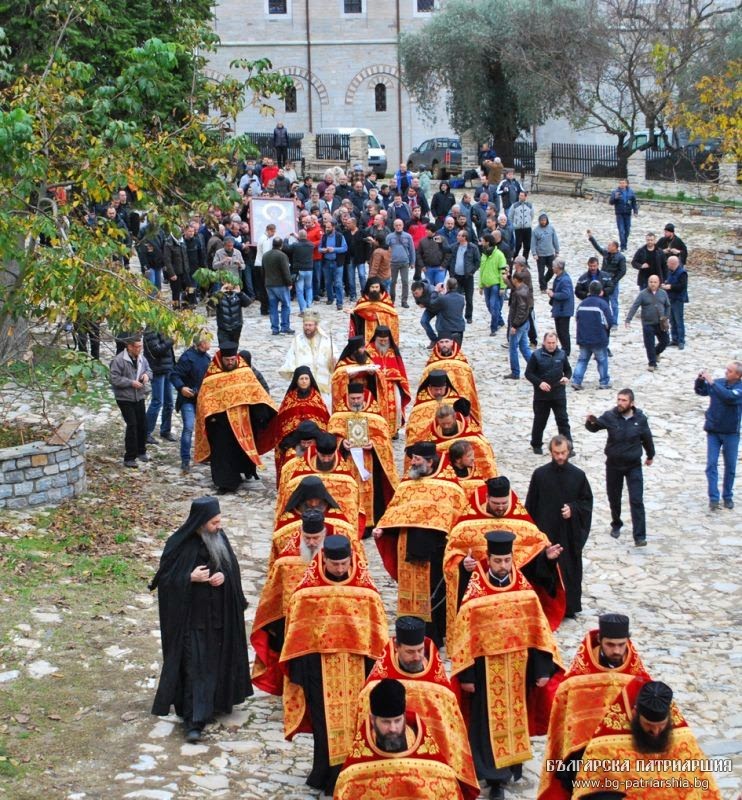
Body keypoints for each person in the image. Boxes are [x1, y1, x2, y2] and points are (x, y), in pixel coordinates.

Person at [449, 531, 563, 800]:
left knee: (516, 719)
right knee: (486, 724)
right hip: (485, 674)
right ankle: (493, 777)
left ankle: (512, 764)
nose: (502, 566)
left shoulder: (524, 593)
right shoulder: (474, 597)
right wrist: (466, 674)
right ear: (487, 560)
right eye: (497, 561)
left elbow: (537, 633)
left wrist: (541, 671)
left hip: (518, 672)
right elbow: (464, 637)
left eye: (506, 560)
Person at [279, 535, 388, 796]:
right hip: (318, 667)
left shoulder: (365, 591)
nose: (340, 569)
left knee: (357, 720)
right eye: (334, 565)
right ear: (323, 560)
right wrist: (300, 671)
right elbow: (297, 631)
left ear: (352, 560)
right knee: (323, 723)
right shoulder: (307, 593)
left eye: (344, 564)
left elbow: (377, 630)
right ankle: (324, 774)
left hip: (357, 665)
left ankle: (352, 773)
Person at [149, 496, 252, 742]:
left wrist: (223, 578)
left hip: (219, 617)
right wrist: (189, 577)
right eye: (214, 522)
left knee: (216, 663)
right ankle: (194, 721)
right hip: (192, 621)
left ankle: (216, 703)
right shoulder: (179, 543)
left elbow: (231, 570)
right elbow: (164, 580)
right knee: (195, 668)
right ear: (201, 521)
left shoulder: (220, 537)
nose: (219, 526)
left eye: (219, 521)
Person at [354, 616, 477, 790]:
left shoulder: (439, 688)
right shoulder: (375, 686)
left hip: (429, 769)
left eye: (420, 650)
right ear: (397, 647)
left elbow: (451, 732)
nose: (417, 657)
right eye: (410, 652)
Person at [538, 613, 651, 800]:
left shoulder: (636, 676)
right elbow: (564, 720)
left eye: (622, 645)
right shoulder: (576, 680)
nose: (616, 651)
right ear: (600, 640)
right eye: (610, 645)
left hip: (622, 758)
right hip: (584, 756)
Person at [444, 475, 566, 637]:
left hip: (513, 595)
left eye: (504, 503)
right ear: (487, 498)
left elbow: (532, 556)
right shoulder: (465, 526)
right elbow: (452, 555)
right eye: (496, 504)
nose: (501, 508)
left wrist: (546, 558)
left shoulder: (522, 523)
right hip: (480, 595)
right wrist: (463, 564)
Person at [373, 442, 468, 647]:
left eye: (417, 459)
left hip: (435, 549)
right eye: (413, 458)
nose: (412, 463)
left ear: (430, 461)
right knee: (410, 592)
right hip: (407, 545)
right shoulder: (408, 482)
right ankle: (409, 630)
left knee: (433, 593)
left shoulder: (449, 486)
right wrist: (383, 527)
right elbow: (396, 509)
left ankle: (433, 635)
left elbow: (457, 516)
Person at [572, 679, 722, 799]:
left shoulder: (684, 739)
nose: (656, 731)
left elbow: (701, 785)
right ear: (635, 713)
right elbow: (590, 788)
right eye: (649, 725)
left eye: (662, 725)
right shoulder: (605, 745)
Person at [337, 678, 479, 800]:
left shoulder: (433, 764)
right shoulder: (353, 773)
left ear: (405, 716)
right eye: (386, 722)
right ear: (372, 720)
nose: (393, 728)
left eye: (397, 721)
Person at [251, 509, 332, 694]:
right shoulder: (286, 561)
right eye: (307, 537)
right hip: (294, 628)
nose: (311, 543)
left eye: (316, 538)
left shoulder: (335, 561)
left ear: (324, 534)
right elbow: (273, 595)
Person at [194, 343, 278, 492]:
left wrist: (262, 414)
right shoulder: (212, 375)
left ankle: (247, 473)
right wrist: (211, 416)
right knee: (223, 453)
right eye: (227, 360)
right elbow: (205, 397)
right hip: (221, 423)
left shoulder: (244, 371)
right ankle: (226, 483)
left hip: (244, 420)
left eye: (233, 359)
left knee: (242, 450)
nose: (230, 362)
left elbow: (255, 392)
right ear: (221, 359)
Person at [526, 435, 593, 616]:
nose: (560, 457)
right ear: (551, 452)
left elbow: (586, 503)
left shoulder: (578, 476)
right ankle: (545, 606)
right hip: (545, 531)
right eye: (556, 453)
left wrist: (573, 509)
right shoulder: (540, 475)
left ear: (569, 451)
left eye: (563, 453)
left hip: (567, 534)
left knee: (567, 569)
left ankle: (568, 608)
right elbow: (531, 504)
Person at [328, 381, 399, 536]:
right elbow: (330, 438)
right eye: (352, 398)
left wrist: (373, 444)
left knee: (373, 492)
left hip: (370, 463)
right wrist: (341, 443)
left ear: (364, 396)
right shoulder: (338, 416)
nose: (355, 401)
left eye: (358, 398)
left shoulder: (375, 417)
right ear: (347, 397)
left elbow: (385, 441)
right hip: (347, 462)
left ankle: (370, 524)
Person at [585, 388, 654, 546]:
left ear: (632, 403)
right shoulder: (610, 416)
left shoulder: (640, 419)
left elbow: (647, 438)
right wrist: (590, 421)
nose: (620, 403)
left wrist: (650, 455)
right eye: (619, 400)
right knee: (614, 497)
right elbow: (595, 427)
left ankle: (639, 536)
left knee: (636, 500)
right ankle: (616, 523)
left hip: (633, 465)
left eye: (624, 400)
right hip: (614, 465)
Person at [694, 361, 742, 510]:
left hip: (731, 433)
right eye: (726, 369)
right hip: (713, 431)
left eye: (730, 371)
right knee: (711, 465)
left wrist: (712, 382)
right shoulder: (719, 383)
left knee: (730, 467)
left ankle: (727, 496)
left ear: (738, 375)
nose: (726, 372)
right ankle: (713, 498)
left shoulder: (739, 389)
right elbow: (701, 391)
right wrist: (700, 381)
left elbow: (728, 397)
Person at [272, 367, 330, 480]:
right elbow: (282, 424)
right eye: (301, 379)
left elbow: (324, 422)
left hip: (315, 443)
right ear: (296, 381)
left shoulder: (316, 398)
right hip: (295, 444)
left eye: (306, 378)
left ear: (310, 380)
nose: (304, 381)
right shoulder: (289, 399)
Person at [170, 332, 212, 474]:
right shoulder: (187, 358)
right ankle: (185, 460)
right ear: (201, 344)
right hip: (188, 399)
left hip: (202, 399)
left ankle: (205, 455)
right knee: (188, 427)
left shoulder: (207, 358)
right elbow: (174, 375)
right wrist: (181, 388)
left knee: (207, 428)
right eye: (208, 341)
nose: (210, 343)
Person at [525, 332, 573, 455]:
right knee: (540, 421)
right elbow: (529, 373)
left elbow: (568, 370)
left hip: (558, 394)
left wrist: (566, 377)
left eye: (553, 343)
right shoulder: (536, 355)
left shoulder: (561, 354)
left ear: (556, 342)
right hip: (542, 396)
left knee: (563, 421)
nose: (551, 345)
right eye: (549, 343)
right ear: (544, 342)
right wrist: (539, 383)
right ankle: (536, 444)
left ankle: (568, 446)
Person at [109, 333, 152, 468]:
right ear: (129, 347)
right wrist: (130, 382)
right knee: (132, 425)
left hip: (139, 396)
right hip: (125, 397)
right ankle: (129, 457)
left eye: (141, 346)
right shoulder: (119, 360)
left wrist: (146, 376)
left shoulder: (141, 358)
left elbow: (149, 370)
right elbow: (114, 378)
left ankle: (141, 451)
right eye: (137, 347)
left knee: (142, 424)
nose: (140, 349)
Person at [279, 310, 336, 401]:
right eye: (305, 325)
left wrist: (333, 361)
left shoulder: (325, 340)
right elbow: (291, 356)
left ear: (316, 326)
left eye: (310, 325)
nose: (307, 328)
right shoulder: (298, 340)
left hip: (322, 382)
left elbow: (335, 355)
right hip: (304, 382)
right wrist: (292, 370)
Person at [366, 325, 411, 437]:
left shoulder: (393, 350)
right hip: (375, 385)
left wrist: (393, 375)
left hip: (392, 384)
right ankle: (378, 431)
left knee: (396, 407)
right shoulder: (368, 350)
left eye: (385, 340)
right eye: (380, 340)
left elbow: (400, 368)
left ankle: (394, 430)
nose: (383, 343)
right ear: (375, 338)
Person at [570, 281, 613, 391]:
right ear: (601, 292)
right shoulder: (602, 304)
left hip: (583, 337)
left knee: (582, 360)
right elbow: (609, 321)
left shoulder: (582, 304)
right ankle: (604, 382)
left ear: (589, 291)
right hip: (598, 338)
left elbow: (577, 319)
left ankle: (576, 381)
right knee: (602, 360)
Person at [625, 275, 670, 371]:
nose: (653, 284)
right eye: (651, 282)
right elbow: (635, 306)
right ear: (648, 282)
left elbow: (668, 306)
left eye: (655, 282)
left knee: (665, 341)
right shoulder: (643, 294)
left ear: (658, 283)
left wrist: (666, 316)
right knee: (649, 344)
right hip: (648, 323)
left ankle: (656, 352)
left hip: (660, 323)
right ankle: (652, 363)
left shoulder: (663, 293)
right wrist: (628, 319)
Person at [143, 328, 176, 445]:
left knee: (169, 403)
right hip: (157, 369)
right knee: (157, 402)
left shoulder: (165, 327)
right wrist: (171, 341)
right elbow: (156, 350)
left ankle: (166, 430)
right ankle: (146, 432)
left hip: (167, 368)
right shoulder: (150, 331)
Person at [587, 230, 627, 326]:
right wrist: (591, 238)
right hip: (603, 282)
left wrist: (614, 280)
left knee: (614, 303)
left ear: (615, 247)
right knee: (604, 302)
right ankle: (605, 320)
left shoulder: (621, 257)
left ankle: (614, 322)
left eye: (610, 245)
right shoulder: (606, 254)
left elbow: (622, 271)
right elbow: (597, 247)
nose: (608, 247)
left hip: (613, 282)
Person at [348, 276, 399, 344]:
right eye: (372, 287)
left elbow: (392, 313)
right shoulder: (363, 300)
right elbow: (358, 311)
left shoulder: (386, 299)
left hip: (381, 329)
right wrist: (354, 313)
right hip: (365, 330)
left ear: (380, 287)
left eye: (376, 287)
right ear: (368, 288)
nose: (374, 289)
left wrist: (378, 316)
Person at [504, 271, 533, 380]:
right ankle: (535, 367)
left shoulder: (518, 293)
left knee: (513, 348)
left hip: (518, 324)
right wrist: (508, 276)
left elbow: (520, 310)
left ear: (516, 280)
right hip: (525, 322)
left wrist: (514, 325)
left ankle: (515, 372)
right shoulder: (524, 288)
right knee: (524, 347)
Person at [262, 236, 294, 335]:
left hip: (269, 284)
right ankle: (285, 326)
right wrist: (289, 282)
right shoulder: (282, 255)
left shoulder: (265, 255)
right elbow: (285, 270)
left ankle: (275, 329)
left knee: (273, 307)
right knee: (286, 305)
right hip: (281, 284)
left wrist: (265, 281)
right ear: (281, 245)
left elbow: (263, 270)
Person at [479, 233, 508, 335]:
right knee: (488, 305)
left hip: (495, 285)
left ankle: (494, 328)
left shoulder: (499, 255)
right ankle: (500, 321)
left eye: (482, 240)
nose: (481, 242)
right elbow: (481, 270)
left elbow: (503, 271)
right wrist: (481, 285)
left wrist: (502, 287)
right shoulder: (483, 255)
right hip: (486, 285)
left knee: (493, 306)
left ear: (487, 242)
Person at [547, 259, 574, 355]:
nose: (552, 268)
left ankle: (566, 350)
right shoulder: (559, 277)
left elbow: (566, 294)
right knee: (559, 330)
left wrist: (553, 295)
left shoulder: (565, 280)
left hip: (564, 310)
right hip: (560, 309)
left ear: (558, 268)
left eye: (553, 266)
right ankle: (564, 348)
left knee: (563, 331)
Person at [386, 218, 415, 307]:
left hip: (404, 262)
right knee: (393, 282)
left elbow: (412, 249)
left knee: (405, 281)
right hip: (393, 262)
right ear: (394, 226)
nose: (398, 227)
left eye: (400, 225)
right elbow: (386, 250)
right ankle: (392, 299)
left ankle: (404, 301)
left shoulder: (408, 236)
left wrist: (412, 261)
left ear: (402, 226)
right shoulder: (389, 237)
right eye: (396, 225)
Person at [428, 277, 467, 345]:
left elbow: (432, 304)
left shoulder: (443, 298)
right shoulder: (461, 298)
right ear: (456, 286)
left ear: (447, 286)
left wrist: (436, 291)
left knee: (445, 353)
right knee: (456, 351)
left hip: (445, 329)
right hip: (459, 328)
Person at [661, 255, 688, 349]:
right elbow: (669, 280)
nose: (667, 264)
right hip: (670, 299)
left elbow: (682, 286)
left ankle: (681, 341)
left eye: (668, 263)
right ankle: (674, 339)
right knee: (672, 320)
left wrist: (671, 287)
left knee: (678, 320)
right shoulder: (671, 272)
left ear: (672, 263)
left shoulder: (682, 273)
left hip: (678, 299)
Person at [214, 281, 252, 346]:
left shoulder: (238, 295)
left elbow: (247, 303)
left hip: (236, 327)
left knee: (234, 348)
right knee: (224, 349)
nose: (229, 285)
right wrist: (220, 293)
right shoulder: (219, 295)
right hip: (223, 327)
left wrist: (240, 293)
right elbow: (211, 304)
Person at [532, 212, 560, 292]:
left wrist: (557, 250)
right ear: (539, 221)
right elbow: (533, 243)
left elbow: (555, 240)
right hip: (540, 255)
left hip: (550, 253)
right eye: (541, 220)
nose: (543, 222)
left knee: (552, 270)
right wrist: (534, 253)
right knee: (541, 272)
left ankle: (544, 281)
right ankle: (543, 287)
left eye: (544, 220)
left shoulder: (551, 228)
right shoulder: (535, 231)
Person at [608, 177, 638, 251]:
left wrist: (635, 211)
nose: (622, 184)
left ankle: (625, 243)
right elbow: (611, 202)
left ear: (626, 184)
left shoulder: (631, 192)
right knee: (621, 230)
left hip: (627, 214)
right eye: (620, 183)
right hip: (619, 214)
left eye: (623, 183)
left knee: (627, 230)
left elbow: (634, 202)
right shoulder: (615, 192)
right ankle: (623, 247)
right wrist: (615, 198)